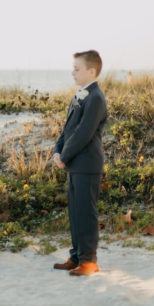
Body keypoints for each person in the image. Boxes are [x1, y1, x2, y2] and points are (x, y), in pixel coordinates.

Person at [51, 50, 109, 277]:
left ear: (91, 71)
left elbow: (84, 133)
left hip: (87, 164)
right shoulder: (79, 95)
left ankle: (89, 260)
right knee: (75, 212)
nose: (72, 72)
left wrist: (64, 157)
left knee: (86, 213)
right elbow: (67, 130)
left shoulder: (96, 97)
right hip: (75, 164)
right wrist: (57, 151)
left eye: (77, 68)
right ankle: (76, 256)